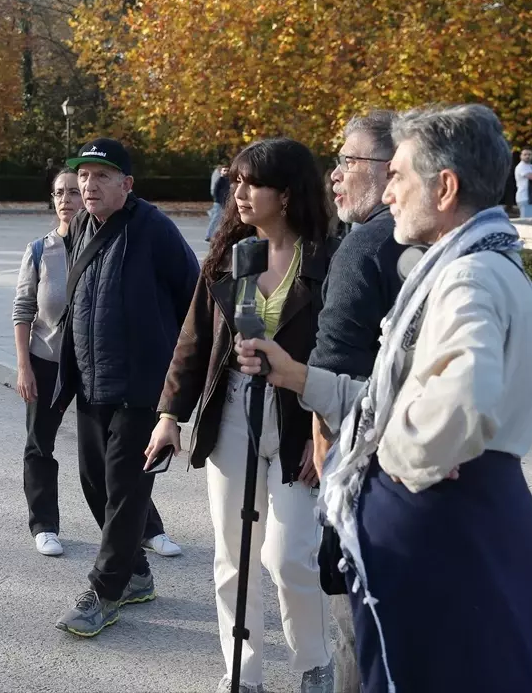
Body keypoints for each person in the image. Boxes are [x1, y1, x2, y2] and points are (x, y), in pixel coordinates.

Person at [236, 104, 532, 693]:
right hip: (464, 526)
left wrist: (384, 473)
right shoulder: (479, 265)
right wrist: (302, 378)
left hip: (442, 538)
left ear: (444, 188)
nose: (388, 195)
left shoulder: (469, 278)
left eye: (399, 176)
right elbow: (402, 398)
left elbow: (460, 406)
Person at [147, 138, 335, 693]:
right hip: (231, 417)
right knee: (234, 557)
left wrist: (324, 430)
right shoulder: (229, 256)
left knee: (291, 555)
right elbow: (193, 342)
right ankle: (242, 672)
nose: (241, 193)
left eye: (253, 182)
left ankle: (312, 664)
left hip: (301, 423)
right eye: (236, 181)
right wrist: (168, 416)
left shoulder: (327, 260)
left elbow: (341, 352)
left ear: (288, 191)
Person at [51, 138, 199, 638]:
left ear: (127, 185)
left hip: (141, 389)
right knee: (96, 483)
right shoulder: (82, 228)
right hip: (92, 383)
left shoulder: (154, 229)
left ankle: (105, 589)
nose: (88, 186)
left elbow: (194, 300)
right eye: (84, 177)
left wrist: (174, 389)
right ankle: (135, 572)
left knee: (127, 493)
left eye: (101, 177)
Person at [13, 169, 181, 560]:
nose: (69, 198)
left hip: (93, 364)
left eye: (75, 191)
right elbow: (24, 310)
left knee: (115, 455)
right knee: (40, 442)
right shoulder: (42, 250)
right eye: (60, 192)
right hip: (50, 360)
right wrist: (24, 366)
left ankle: (147, 530)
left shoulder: (106, 240)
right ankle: (45, 525)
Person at [312, 110, 405, 693]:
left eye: (349, 161)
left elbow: (331, 369)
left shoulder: (365, 245)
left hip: (366, 468)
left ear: (390, 169)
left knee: (359, 635)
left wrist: (323, 452)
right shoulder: (443, 244)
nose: (335, 175)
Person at [514, 147, 532, 217]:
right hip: (524, 197)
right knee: (525, 221)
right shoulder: (521, 166)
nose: (527, 156)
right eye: (525, 154)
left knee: (531, 220)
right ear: (521, 156)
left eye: (529, 154)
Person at [206, 162, 230, 241]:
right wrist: (218, 200)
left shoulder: (227, 179)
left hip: (223, 202)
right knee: (216, 219)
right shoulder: (220, 179)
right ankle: (209, 235)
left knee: (221, 219)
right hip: (219, 202)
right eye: (225, 170)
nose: (226, 172)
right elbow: (216, 191)